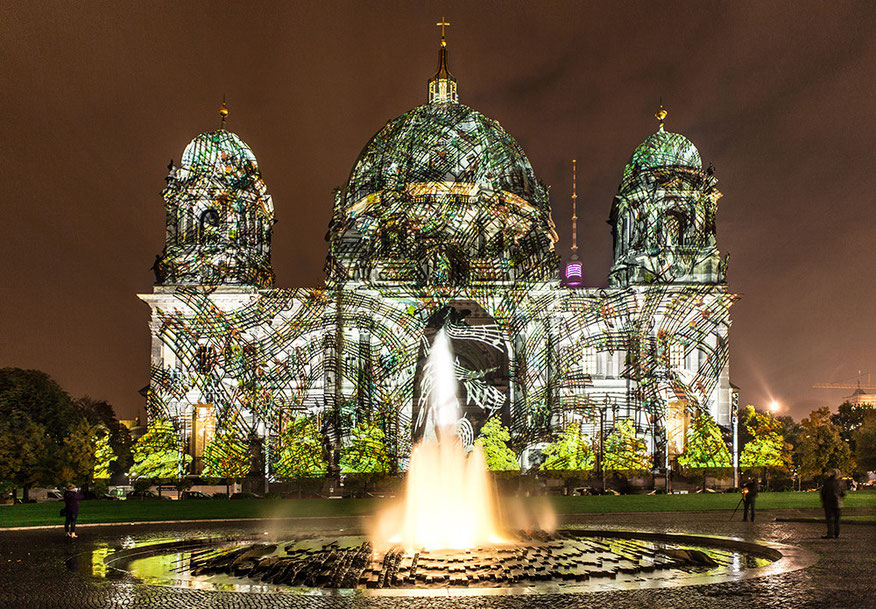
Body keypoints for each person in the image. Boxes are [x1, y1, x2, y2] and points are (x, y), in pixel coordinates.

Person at [820, 469, 846, 539]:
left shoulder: (827, 482)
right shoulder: (841, 482)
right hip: (838, 503)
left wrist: (823, 501)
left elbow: (823, 493)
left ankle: (830, 534)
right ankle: (837, 533)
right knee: (837, 520)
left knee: (829, 519)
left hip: (828, 503)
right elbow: (843, 493)